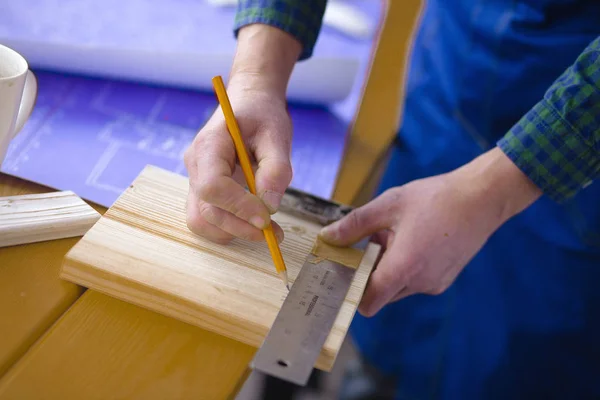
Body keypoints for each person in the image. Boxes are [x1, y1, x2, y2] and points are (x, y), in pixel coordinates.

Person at [183, 0, 600, 398]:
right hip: (449, 85)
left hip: (579, 164)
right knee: (389, 333)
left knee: (517, 369)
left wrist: (499, 184)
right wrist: (256, 79)